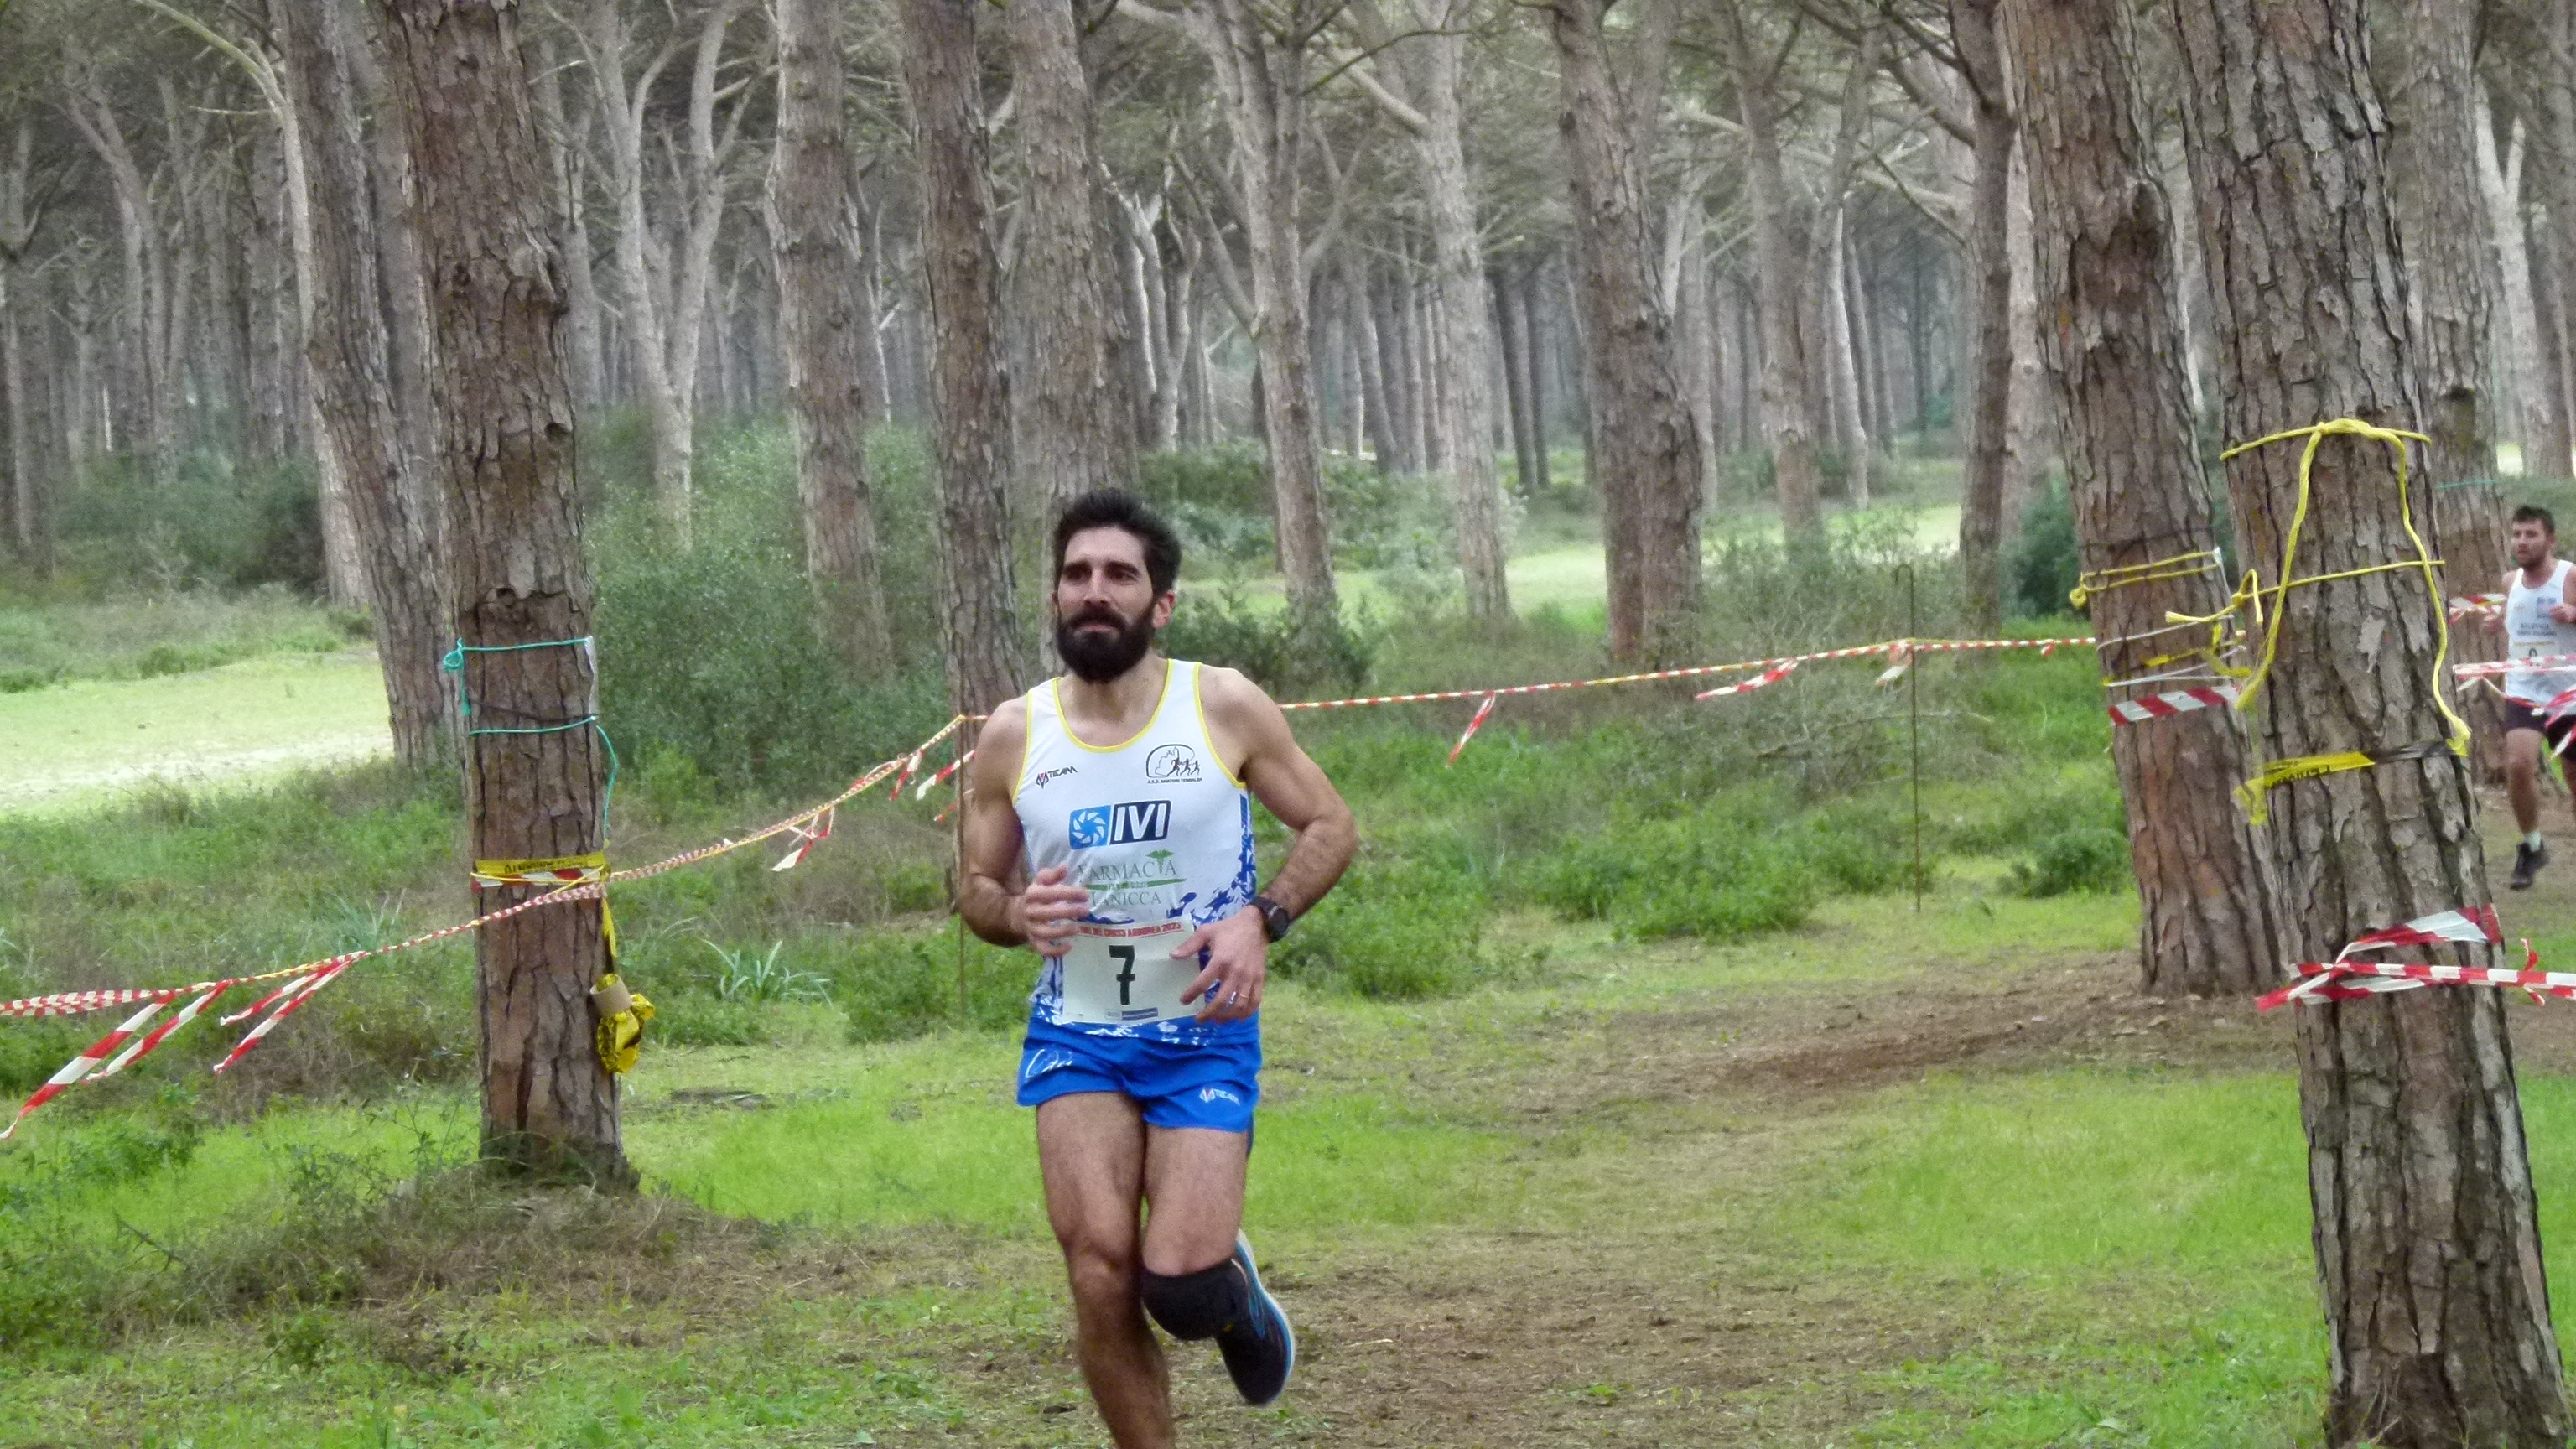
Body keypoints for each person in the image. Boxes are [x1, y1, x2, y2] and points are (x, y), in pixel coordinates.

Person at [959, 490, 1357, 1446]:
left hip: (1203, 1032)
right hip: (1079, 1035)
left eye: (1119, 575)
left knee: (1179, 1288)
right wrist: (1015, 912)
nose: (1094, 591)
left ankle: (1232, 1293)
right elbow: (973, 886)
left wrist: (1261, 919)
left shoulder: (1220, 705)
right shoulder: (1014, 732)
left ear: (1161, 603)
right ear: (1056, 597)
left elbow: (1331, 825)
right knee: (1099, 1271)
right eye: (1076, 574)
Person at [2495, 505, 2576, 889]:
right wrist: (2495, 622)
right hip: (2524, 689)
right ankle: (2532, 846)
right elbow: (2513, 621)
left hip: (2568, 693)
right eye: (2517, 534)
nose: (2522, 542)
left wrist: (2574, 614)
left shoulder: (2570, 576)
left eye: (2531, 534)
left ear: (2550, 540)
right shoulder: (2509, 581)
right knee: (2518, 764)